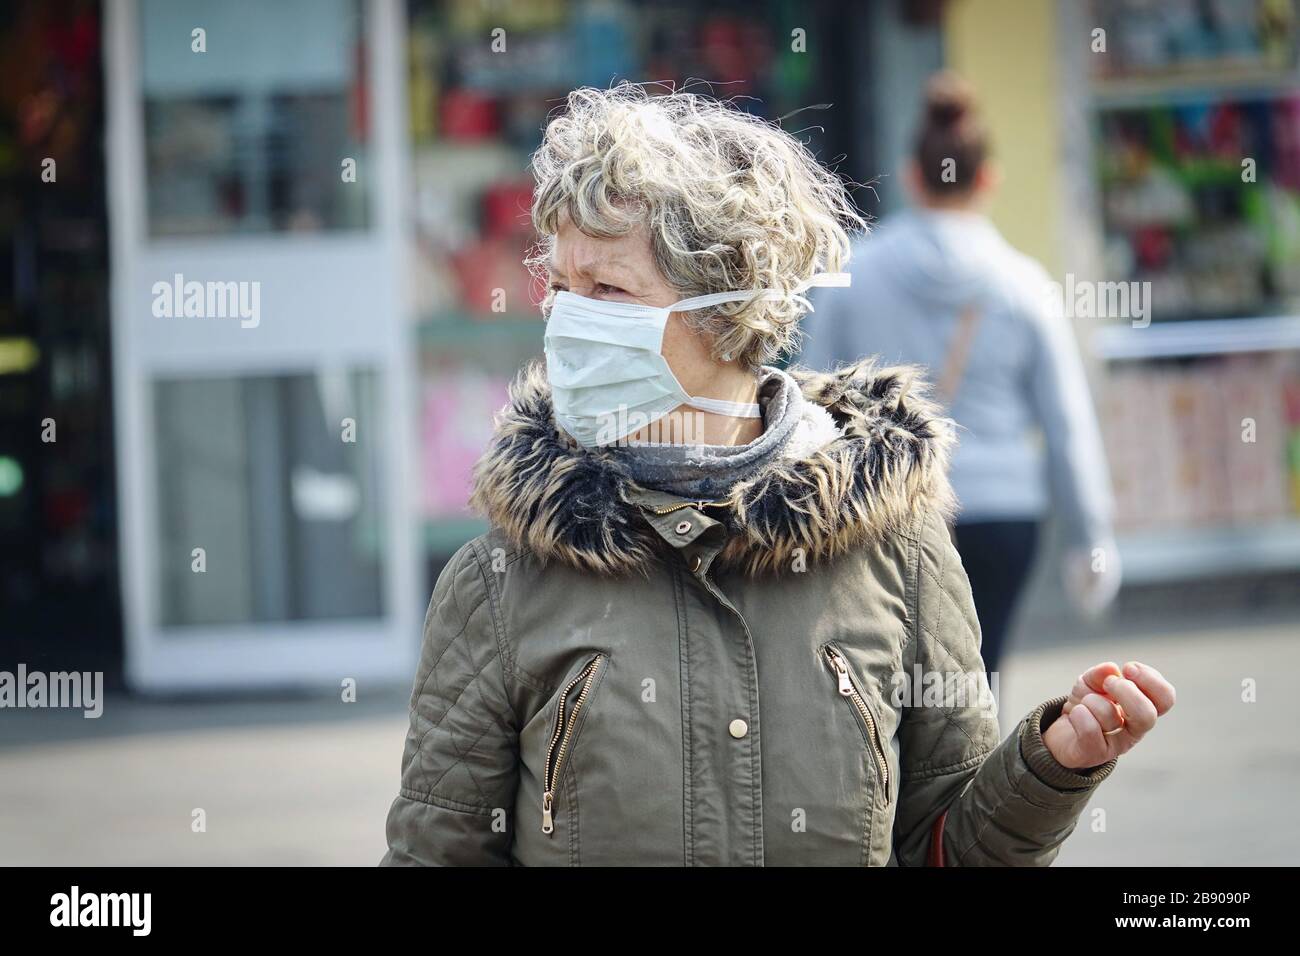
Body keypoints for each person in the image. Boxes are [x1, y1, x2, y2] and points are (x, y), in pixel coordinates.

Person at [381, 84, 1173, 866]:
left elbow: (943, 844)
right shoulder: (497, 579)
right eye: (562, 286)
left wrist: (1051, 769)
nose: (569, 318)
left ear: (728, 308)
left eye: (609, 290)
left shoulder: (900, 550)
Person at [799, 72, 1120, 681]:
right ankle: (973, 775)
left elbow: (811, 400)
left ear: (913, 175)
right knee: (978, 677)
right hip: (1004, 514)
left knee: (893, 680)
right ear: (988, 179)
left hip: (892, 509)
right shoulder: (1025, 284)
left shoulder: (854, 274)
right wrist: (1092, 536)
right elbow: (1067, 423)